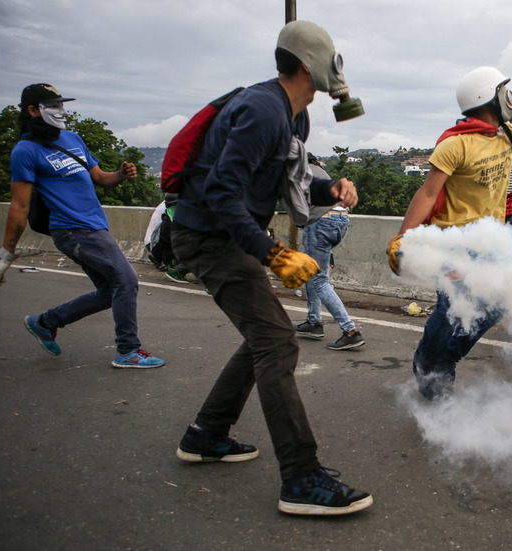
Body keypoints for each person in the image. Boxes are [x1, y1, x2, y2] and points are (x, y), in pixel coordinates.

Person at [168, 20, 372, 516]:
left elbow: (290, 181)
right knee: (277, 341)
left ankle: (207, 433)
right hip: (209, 235)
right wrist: (272, 252)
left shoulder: (294, 116)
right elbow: (219, 192)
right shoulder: (263, 110)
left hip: (227, 233)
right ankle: (301, 477)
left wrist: (331, 191)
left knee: (267, 334)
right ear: (308, 64)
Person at [386, 66, 512, 401]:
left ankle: (449, 358)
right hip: (452, 243)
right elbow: (426, 193)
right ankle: (428, 363)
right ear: (488, 98)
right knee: (450, 308)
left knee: (494, 308)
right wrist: (403, 238)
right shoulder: (456, 145)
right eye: (503, 91)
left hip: (491, 241)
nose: (511, 98)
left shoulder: (509, 138)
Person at [0, 83, 165, 369]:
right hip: (72, 230)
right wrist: (6, 255)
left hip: (94, 227)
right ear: (32, 110)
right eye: (53, 105)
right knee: (127, 280)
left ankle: (45, 322)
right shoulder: (25, 151)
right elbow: (19, 206)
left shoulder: (72, 139)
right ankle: (128, 350)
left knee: (110, 292)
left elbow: (101, 178)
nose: (61, 110)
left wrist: (121, 175)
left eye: (62, 104)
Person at [294, 160, 364, 350]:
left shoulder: (296, 168)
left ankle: (350, 331)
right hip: (339, 220)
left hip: (320, 222)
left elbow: (297, 205)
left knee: (320, 281)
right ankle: (313, 322)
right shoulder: (319, 168)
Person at [143, 194, 192, 283]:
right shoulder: (170, 217)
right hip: (155, 244)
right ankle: (177, 269)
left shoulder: (171, 209)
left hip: (159, 243)